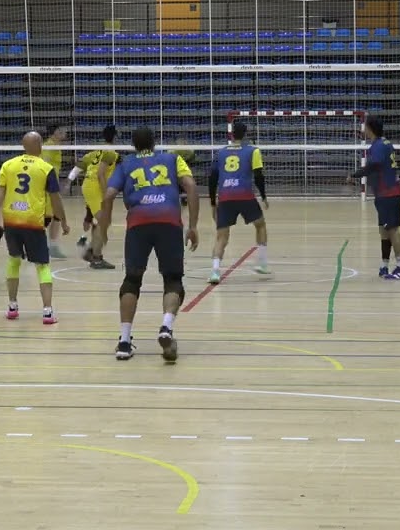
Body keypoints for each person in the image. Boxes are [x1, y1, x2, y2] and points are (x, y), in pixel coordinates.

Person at [99, 127, 200, 362]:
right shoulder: (173, 158)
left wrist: (103, 229)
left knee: (132, 280)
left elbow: (107, 196)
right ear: (154, 143)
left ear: (133, 145)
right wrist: (193, 226)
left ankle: (124, 342)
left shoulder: (126, 164)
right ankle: (166, 327)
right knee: (173, 279)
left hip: (138, 222)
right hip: (168, 219)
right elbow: (192, 187)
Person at [0, 132, 70, 325]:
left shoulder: (7, 165)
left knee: (13, 260)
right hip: (33, 222)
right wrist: (63, 220)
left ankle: (12, 306)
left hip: (11, 221)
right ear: (40, 145)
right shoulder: (45, 168)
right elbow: (55, 199)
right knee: (42, 265)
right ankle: (47, 312)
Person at [208, 121, 271, 283]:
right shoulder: (253, 151)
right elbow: (258, 175)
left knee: (221, 237)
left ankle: (215, 272)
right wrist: (263, 196)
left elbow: (212, 178)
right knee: (260, 224)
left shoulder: (220, 153)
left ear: (231, 134)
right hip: (244, 196)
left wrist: (213, 203)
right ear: (245, 134)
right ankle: (262, 263)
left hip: (225, 196)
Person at [348, 117, 400, 280]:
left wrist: (354, 175)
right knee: (384, 230)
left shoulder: (379, 146)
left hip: (389, 193)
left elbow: (373, 166)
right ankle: (384, 265)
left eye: (365, 127)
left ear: (370, 129)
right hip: (383, 194)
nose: (363, 131)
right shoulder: (383, 144)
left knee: (393, 229)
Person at [75, 124, 119, 270]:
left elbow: (79, 165)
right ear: (115, 137)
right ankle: (97, 258)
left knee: (102, 222)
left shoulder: (96, 150)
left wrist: (69, 179)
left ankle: (91, 251)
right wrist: (106, 194)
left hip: (88, 185)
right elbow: (100, 174)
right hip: (94, 187)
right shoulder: (111, 152)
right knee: (104, 222)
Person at [41, 124, 69, 258]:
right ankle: (35, 246)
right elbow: (44, 164)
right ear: (54, 133)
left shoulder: (57, 146)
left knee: (57, 215)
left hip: (52, 186)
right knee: (45, 219)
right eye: (61, 130)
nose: (64, 132)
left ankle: (52, 246)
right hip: (46, 187)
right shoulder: (49, 146)